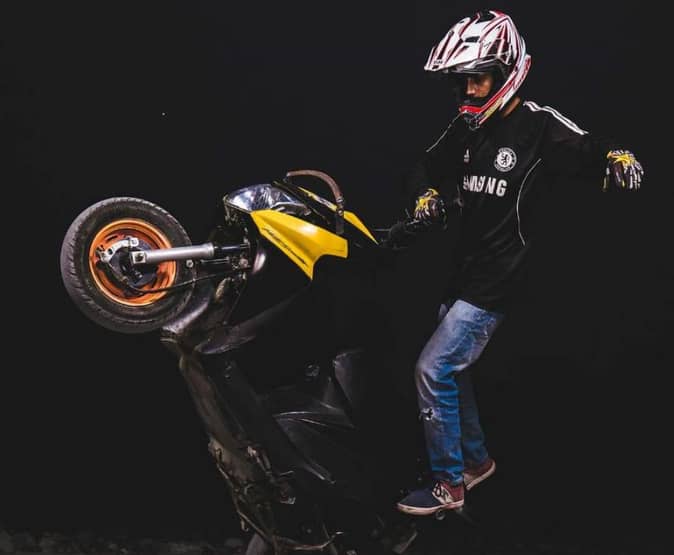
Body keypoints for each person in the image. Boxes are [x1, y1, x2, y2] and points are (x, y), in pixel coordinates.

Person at [393, 9, 643, 516]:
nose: (469, 91)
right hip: (462, 274)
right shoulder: (466, 127)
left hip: (498, 280)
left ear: (507, 73)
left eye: (479, 79)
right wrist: (425, 195)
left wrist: (619, 157)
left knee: (432, 369)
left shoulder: (539, 126)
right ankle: (476, 461)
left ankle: (448, 485)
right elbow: (425, 164)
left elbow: (593, 147)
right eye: (463, 80)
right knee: (454, 372)